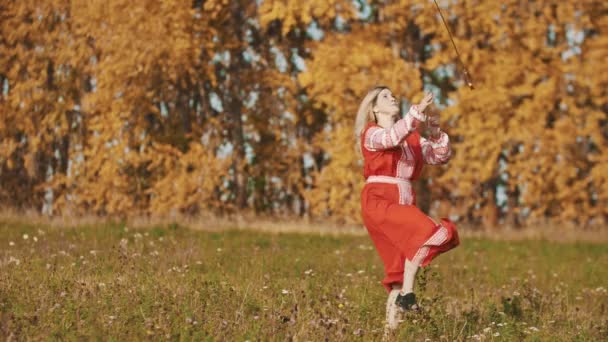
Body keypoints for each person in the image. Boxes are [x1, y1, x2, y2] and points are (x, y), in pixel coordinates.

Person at [354, 86, 460, 330]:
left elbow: (440, 156)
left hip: (404, 199)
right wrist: (417, 112)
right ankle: (408, 295)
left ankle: (391, 330)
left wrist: (434, 134)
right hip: (380, 200)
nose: (392, 98)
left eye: (393, 95)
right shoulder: (371, 133)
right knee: (431, 231)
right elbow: (391, 138)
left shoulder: (411, 137)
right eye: (385, 96)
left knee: (398, 274)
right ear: (374, 108)